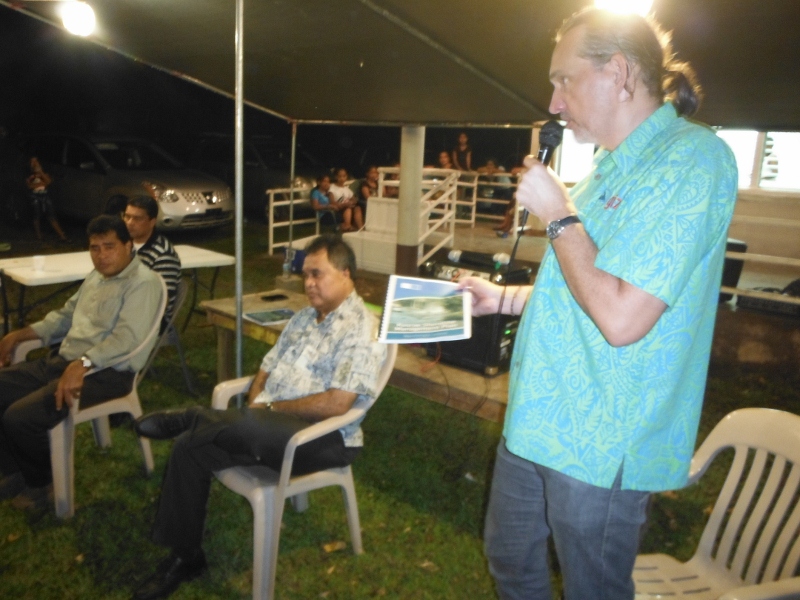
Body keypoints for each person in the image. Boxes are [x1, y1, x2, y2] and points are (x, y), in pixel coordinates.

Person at [461, 8, 738, 599]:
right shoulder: (607, 169)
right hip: (534, 421)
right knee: (510, 560)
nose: (554, 103)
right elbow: (581, 286)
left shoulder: (694, 162)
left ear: (618, 72)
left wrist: (559, 215)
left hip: (600, 442)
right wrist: (503, 298)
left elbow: (620, 317)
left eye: (564, 80)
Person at [131, 234, 387, 600]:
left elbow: (337, 404)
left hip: (321, 439)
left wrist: (266, 410)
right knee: (190, 447)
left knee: (244, 423)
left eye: (318, 274)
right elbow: (265, 370)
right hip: (265, 428)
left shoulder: (361, 327)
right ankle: (186, 557)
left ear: (347, 275)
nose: (308, 282)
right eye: (305, 275)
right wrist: (257, 403)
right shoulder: (302, 317)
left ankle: (196, 416)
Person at [0, 215, 163, 512]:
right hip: (65, 362)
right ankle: (18, 472)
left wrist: (84, 363)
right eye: (95, 248)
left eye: (109, 247)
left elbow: (125, 339)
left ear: (129, 245)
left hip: (108, 374)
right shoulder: (96, 277)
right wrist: (19, 335)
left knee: (19, 417)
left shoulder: (143, 283)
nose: (101, 256)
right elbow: (65, 316)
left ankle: (44, 485)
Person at [123, 196, 182, 327]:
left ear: (152, 222)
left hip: (150, 321)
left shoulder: (163, 255)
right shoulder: (124, 244)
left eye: (137, 218)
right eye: (127, 216)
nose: (129, 222)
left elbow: (160, 302)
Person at [26, 156, 69, 243]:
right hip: (35, 197)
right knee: (36, 216)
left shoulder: (44, 172)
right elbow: (29, 186)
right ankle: (39, 236)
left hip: (45, 196)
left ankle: (62, 236)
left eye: (36, 162)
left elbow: (48, 182)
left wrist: (40, 173)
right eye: (32, 162)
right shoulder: (29, 175)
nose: (34, 164)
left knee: (51, 216)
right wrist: (41, 183)